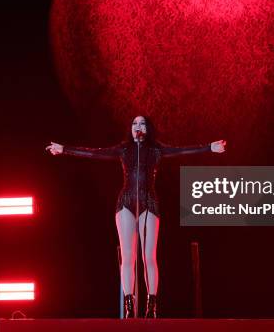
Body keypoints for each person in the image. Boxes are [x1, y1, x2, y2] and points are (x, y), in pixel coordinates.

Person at [46, 116, 226, 318]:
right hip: (126, 203)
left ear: (148, 129)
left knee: (148, 256)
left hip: (149, 203)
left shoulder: (157, 149)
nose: (137, 127)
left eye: (142, 124)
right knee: (128, 257)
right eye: (134, 124)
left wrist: (209, 148)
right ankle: (129, 304)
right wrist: (65, 149)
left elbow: (182, 150)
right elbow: (95, 154)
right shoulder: (124, 149)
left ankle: (151, 305)